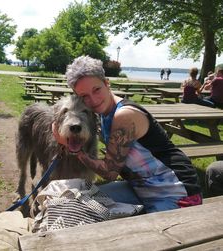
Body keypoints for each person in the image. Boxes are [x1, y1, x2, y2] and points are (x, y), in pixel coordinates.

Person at [52, 55, 202, 213]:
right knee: (73, 202)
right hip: (139, 188)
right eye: (84, 96)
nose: (93, 100)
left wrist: (74, 148)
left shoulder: (124, 115)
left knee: (141, 236)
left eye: (96, 89)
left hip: (175, 194)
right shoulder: (103, 113)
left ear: (107, 83)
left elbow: (110, 172)